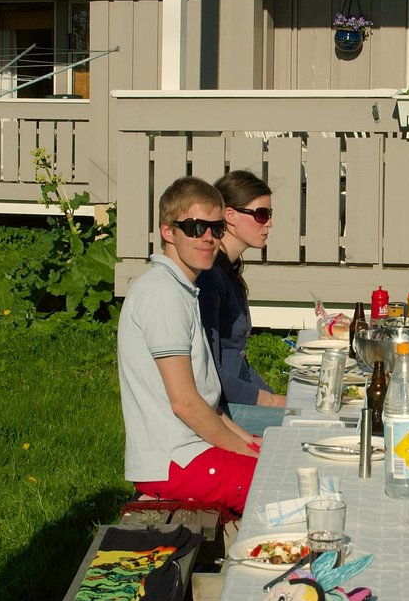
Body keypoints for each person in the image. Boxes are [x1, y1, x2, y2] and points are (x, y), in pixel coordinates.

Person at [119, 176, 260, 516]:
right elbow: (185, 403)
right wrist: (245, 453)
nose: (208, 237)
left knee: (279, 463)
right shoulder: (163, 294)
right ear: (168, 231)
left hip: (189, 450)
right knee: (282, 486)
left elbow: (206, 403)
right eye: (196, 227)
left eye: (216, 228)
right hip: (174, 459)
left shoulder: (181, 288)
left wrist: (250, 442)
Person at [198, 170, 285, 435]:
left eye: (269, 214)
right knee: (303, 428)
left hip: (234, 396)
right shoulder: (210, 277)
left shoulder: (229, 270)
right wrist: (270, 400)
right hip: (220, 408)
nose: (269, 223)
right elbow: (211, 372)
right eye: (261, 215)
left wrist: (272, 396)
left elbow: (238, 362)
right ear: (230, 216)